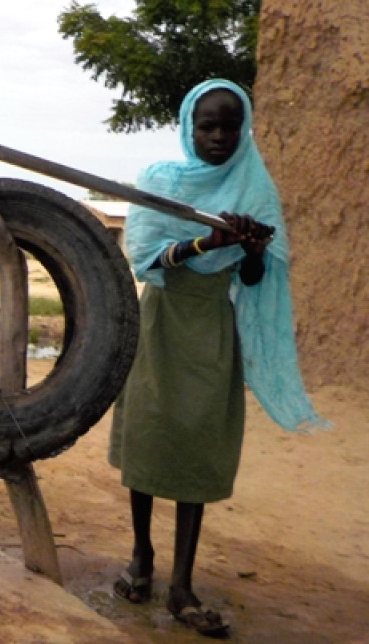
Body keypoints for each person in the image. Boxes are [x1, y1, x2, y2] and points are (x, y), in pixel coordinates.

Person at [109, 79, 328, 638]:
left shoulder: (255, 186)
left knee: (200, 448)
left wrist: (250, 250)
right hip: (161, 323)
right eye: (208, 125)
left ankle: (182, 586)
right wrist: (212, 240)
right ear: (188, 126)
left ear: (244, 127)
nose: (220, 136)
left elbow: (254, 279)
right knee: (149, 436)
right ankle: (141, 559)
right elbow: (147, 260)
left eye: (231, 125)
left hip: (212, 329)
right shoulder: (161, 182)